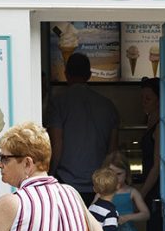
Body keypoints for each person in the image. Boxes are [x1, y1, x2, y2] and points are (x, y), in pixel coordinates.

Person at [48, 52, 120, 204]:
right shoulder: (108, 106)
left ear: (66, 74)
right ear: (89, 75)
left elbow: (57, 144)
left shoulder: (58, 103)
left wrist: (50, 174)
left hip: (66, 183)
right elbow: (113, 152)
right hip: (99, 185)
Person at [138, 77, 164, 231]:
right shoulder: (151, 122)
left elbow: (157, 166)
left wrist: (141, 193)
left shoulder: (159, 128)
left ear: (159, 99)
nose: (143, 103)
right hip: (150, 188)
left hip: (155, 190)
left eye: (148, 98)